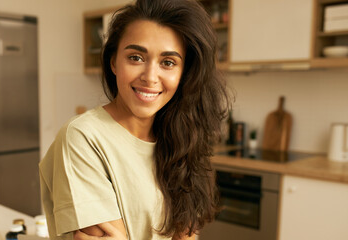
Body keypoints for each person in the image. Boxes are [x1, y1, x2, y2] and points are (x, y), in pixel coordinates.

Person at [39, 0, 229, 239]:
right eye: (136, 57)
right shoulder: (83, 137)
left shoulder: (181, 137)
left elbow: (187, 233)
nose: (150, 77)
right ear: (114, 62)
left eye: (168, 62)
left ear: (183, 74)